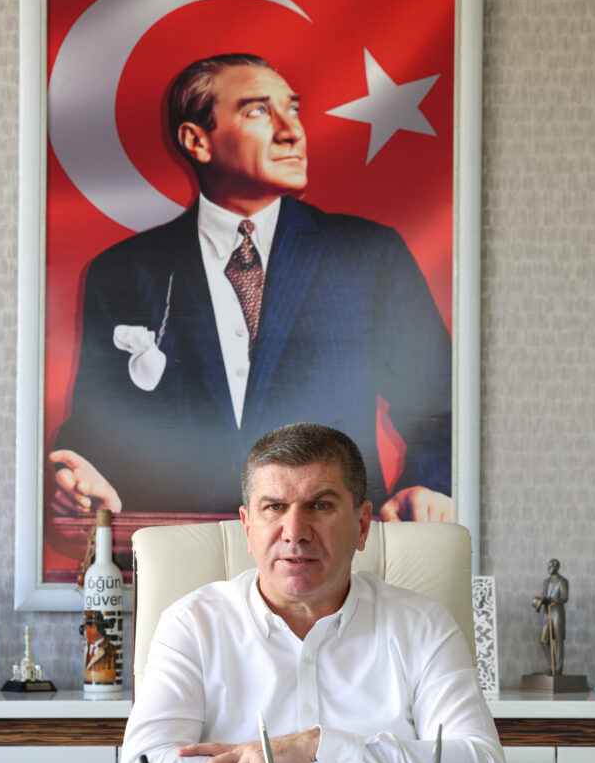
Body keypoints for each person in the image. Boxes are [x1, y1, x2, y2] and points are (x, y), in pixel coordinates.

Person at [50, 54, 452, 523]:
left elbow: (440, 405)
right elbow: (95, 430)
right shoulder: (121, 271)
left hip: (331, 550)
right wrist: (80, 482)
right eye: (258, 110)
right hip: (176, 553)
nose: (292, 131)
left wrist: (427, 486)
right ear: (196, 140)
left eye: (293, 109)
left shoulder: (370, 256)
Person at [119, 422, 508, 763]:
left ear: (361, 525)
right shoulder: (192, 625)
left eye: (320, 505)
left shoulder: (423, 626)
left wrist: (316, 746)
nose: (295, 532)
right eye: (274, 507)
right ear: (248, 527)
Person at [533, 559, 569, 675]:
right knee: (544, 640)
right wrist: (539, 601)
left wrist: (556, 601)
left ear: (556, 567)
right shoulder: (546, 582)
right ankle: (552, 665)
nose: (548, 568)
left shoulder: (562, 581)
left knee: (558, 640)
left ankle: (558, 668)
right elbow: (544, 597)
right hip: (547, 613)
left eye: (551, 566)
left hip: (557, 612)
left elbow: (565, 597)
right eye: (548, 566)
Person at [81, 610, 118, 685]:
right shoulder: (87, 647)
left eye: (86, 629)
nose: (84, 633)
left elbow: (110, 676)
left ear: (94, 629)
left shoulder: (111, 649)